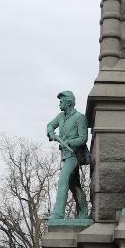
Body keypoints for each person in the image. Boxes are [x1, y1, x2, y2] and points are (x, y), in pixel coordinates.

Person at [46, 90, 89, 220]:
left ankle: (58, 214)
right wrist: (51, 133)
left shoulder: (79, 117)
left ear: (69, 102)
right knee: (74, 185)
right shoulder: (60, 116)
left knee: (63, 180)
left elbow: (83, 138)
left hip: (74, 155)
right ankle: (84, 212)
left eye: (61, 100)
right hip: (65, 155)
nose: (59, 103)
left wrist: (69, 142)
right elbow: (50, 125)